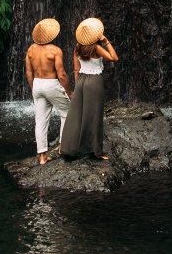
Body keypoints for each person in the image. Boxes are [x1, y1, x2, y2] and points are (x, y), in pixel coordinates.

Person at [60, 17, 118, 161]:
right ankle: (95, 150)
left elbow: (75, 68)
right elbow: (114, 58)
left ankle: (66, 148)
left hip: (81, 81)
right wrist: (106, 41)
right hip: (94, 82)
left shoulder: (77, 47)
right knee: (94, 115)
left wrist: (76, 85)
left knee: (75, 115)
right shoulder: (97, 48)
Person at [25, 18, 71, 165]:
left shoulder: (31, 49)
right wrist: (69, 92)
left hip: (37, 84)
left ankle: (43, 157)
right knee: (67, 113)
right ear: (53, 35)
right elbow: (62, 75)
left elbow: (28, 72)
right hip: (51, 84)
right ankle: (62, 146)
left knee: (40, 121)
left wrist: (34, 89)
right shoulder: (55, 50)